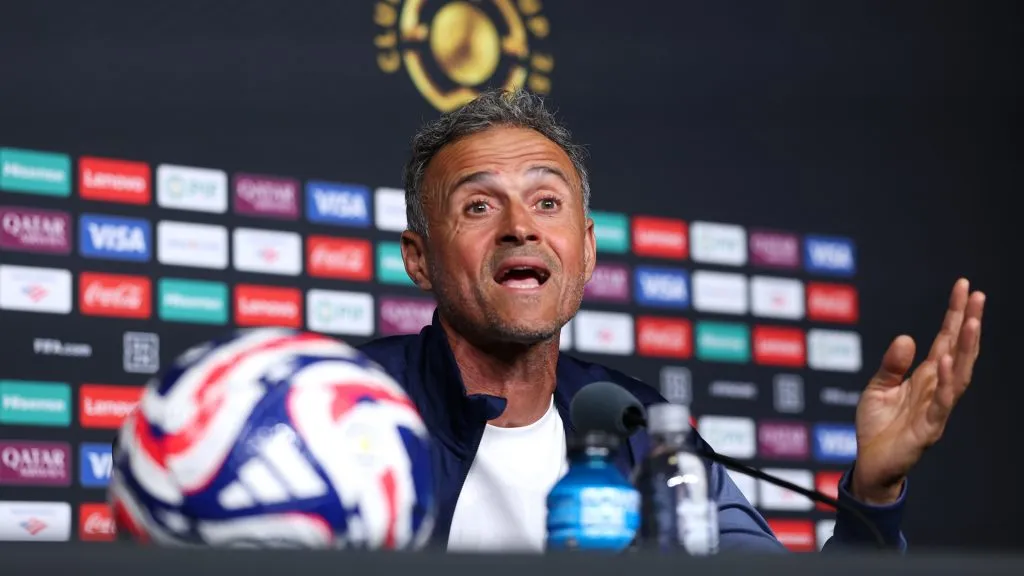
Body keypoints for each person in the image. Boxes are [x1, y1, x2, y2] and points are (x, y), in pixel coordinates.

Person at [357, 88, 986, 553]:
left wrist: (873, 496)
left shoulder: (639, 425)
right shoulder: (347, 404)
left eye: (547, 202)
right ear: (419, 258)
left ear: (587, 250)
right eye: (479, 206)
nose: (520, 227)